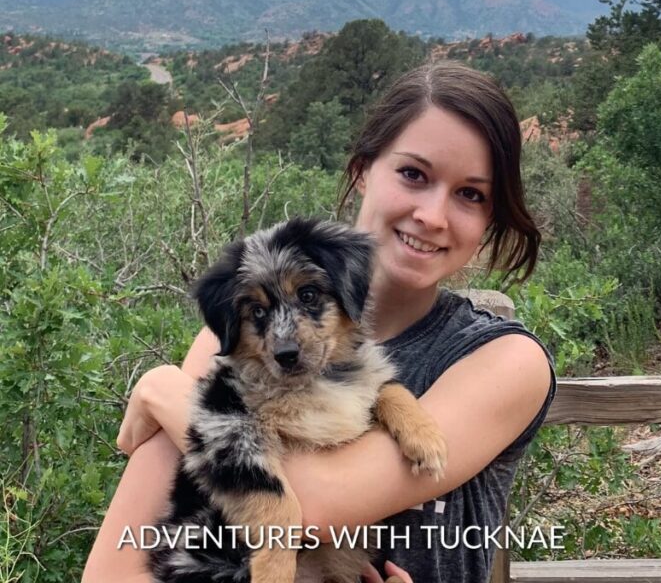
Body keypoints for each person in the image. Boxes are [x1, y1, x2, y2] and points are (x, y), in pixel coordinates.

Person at [82, 62, 556, 583]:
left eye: (472, 194)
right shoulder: (243, 339)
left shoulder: (504, 361)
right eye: (413, 174)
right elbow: (113, 571)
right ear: (361, 172)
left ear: (491, 217)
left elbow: (317, 504)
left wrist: (166, 391)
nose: (433, 215)